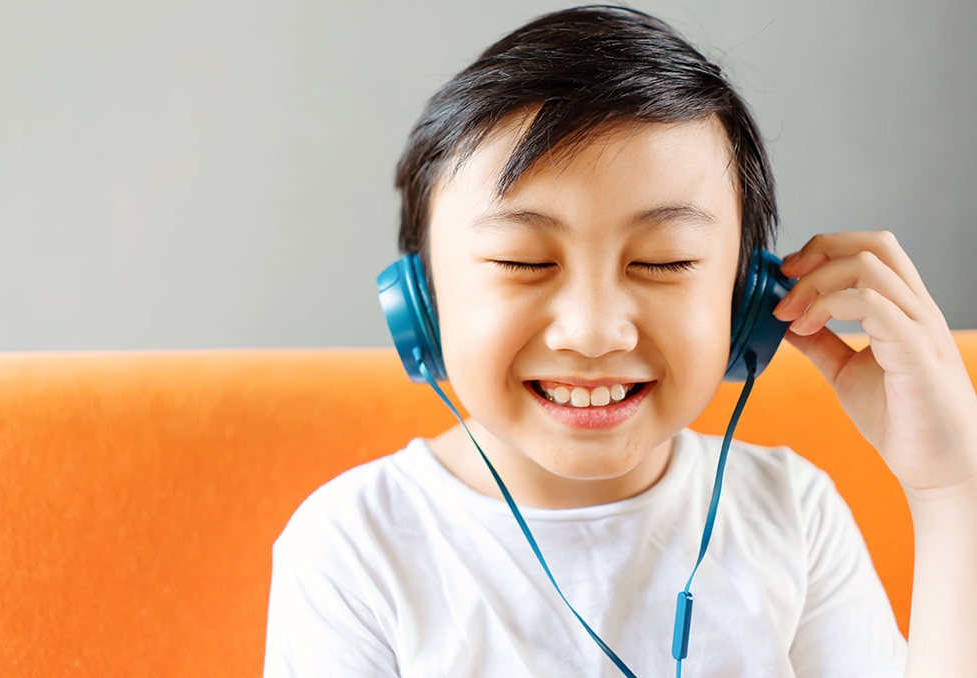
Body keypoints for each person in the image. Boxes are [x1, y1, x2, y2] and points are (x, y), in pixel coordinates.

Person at [263, 6, 977, 677]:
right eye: (523, 262)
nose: (595, 332)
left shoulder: (791, 513)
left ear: (746, 298)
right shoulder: (354, 548)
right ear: (423, 301)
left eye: (664, 261)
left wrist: (950, 490)